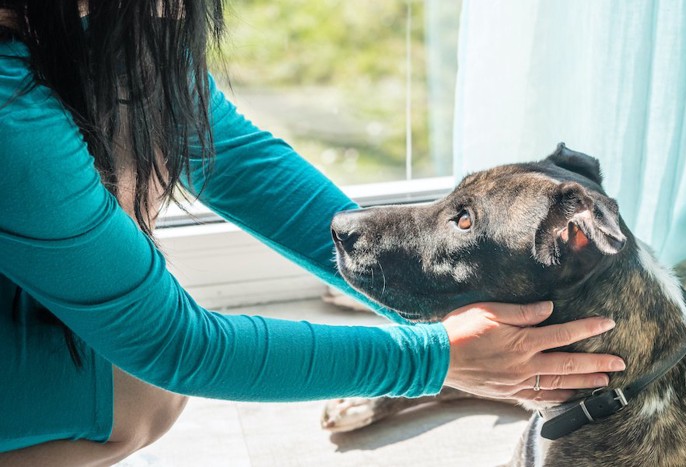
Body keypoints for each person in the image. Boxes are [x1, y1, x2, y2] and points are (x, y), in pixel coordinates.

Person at [0, 1, 625, 465]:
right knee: (136, 387)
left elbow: (229, 152)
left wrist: (399, 277)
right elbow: (176, 346)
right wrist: (437, 360)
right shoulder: (11, 113)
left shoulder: (93, 24)